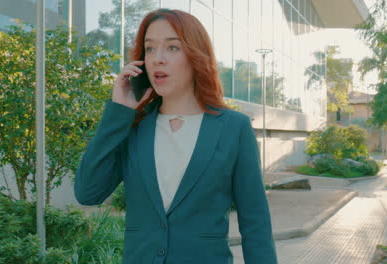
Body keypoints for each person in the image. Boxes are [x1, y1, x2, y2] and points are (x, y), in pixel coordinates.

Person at [74, 8, 277, 264]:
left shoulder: (234, 127)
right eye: (149, 49)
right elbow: (87, 193)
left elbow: (255, 223)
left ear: (195, 55)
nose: (157, 58)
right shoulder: (133, 126)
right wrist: (118, 112)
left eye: (172, 48)